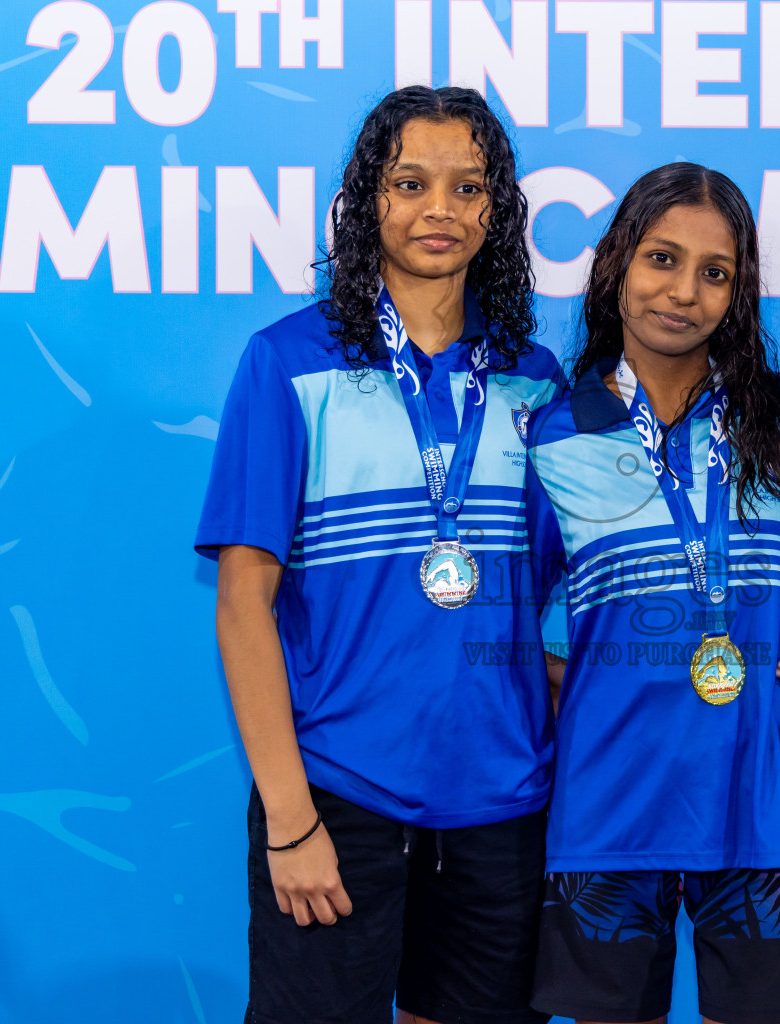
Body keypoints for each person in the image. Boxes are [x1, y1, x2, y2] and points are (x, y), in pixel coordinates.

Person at [195, 85, 561, 1024]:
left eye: (468, 187)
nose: (439, 209)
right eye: (410, 182)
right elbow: (243, 606)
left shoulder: (533, 377)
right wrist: (289, 820)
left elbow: (556, 593)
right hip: (339, 799)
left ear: (497, 211)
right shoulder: (289, 363)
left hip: (502, 805)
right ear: (368, 201)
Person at [524, 162, 780, 1024]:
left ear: (739, 294)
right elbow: (518, 619)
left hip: (761, 807)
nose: (684, 292)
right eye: (662, 259)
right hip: (608, 806)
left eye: (715, 272)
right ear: (617, 261)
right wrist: (577, 684)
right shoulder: (551, 433)